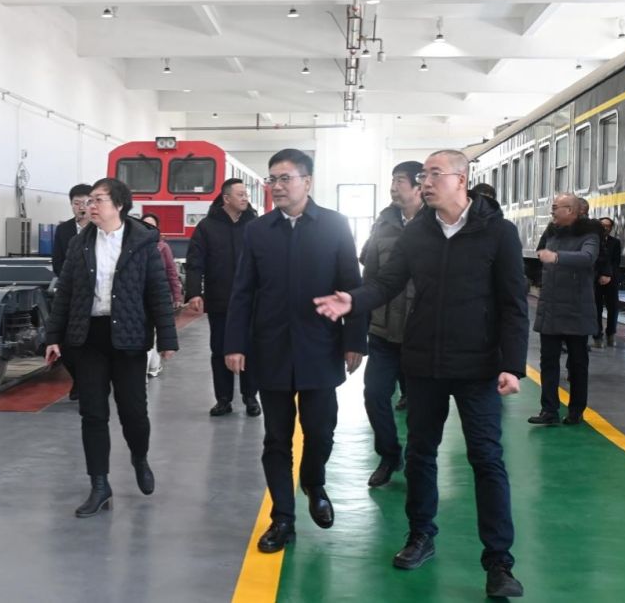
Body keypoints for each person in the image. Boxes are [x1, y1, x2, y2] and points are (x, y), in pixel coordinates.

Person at [314, 149, 528, 599]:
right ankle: (420, 535)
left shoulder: (498, 232)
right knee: (421, 454)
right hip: (424, 363)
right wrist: (353, 300)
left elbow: (513, 303)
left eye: (434, 174)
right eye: (423, 175)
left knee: (487, 459)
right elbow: (387, 282)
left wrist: (512, 365)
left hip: (477, 367)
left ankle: (499, 562)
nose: (425, 182)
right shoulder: (418, 233)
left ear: (461, 179)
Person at [224, 149, 367, 554]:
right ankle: (282, 518)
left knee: (321, 430)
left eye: (285, 178)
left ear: (308, 181)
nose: (278, 186)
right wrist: (234, 343)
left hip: (320, 346)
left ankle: (314, 482)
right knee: (276, 438)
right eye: (272, 179)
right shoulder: (258, 230)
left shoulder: (334, 226)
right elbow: (243, 290)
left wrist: (354, 340)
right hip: (270, 348)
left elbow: (352, 286)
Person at [45, 178, 178, 518]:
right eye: (89, 200)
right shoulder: (80, 244)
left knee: (134, 412)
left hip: (128, 338)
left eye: (98, 200)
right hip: (88, 337)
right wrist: (53, 337)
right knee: (93, 413)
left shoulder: (143, 242)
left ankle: (139, 457)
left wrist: (167, 338)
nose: (90, 206)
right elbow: (65, 293)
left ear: (119, 204)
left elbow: (157, 291)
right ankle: (100, 485)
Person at [359, 160, 423, 488]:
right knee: (374, 394)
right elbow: (369, 277)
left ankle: (417, 458)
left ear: (418, 185)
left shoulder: (436, 224)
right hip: (383, 330)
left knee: (421, 405)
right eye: (393, 180)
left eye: (400, 181)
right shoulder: (383, 224)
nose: (393, 187)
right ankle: (388, 455)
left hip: (421, 333)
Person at [184, 178, 260, 417]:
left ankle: (250, 397)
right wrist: (194, 293)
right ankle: (223, 399)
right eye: (240, 194)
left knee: (250, 348)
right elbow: (195, 262)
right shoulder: (207, 227)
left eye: (246, 194)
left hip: (252, 300)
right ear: (226, 199)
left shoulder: (255, 225)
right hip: (220, 299)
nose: (245, 198)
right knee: (219, 349)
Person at [528, 194, 600, 426]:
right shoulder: (551, 232)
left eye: (555, 207)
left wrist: (557, 257)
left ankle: (576, 410)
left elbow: (588, 258)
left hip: (576, 309)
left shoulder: (590, 234)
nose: (552, 211)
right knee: (548, 362)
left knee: (577, 363)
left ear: (570, 210)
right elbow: (540, 253)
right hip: (550, 307)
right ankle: (548, 410)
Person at [52, 184, 93, 400]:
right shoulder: (64, 230)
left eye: (86, 202)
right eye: (77, 203)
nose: (81, 207)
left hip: (95, 293)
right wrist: (70, 282)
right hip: (71, 292)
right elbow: (57, 261)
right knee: (67, 344)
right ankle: (78, 379)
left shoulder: (100, 228)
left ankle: (87, 383)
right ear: (71, 205)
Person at [141, 212, 183, 376]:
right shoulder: (132, 246)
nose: (148, 229)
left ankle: (151, 366)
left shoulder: (163, 247)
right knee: (146, 333)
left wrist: (177, 296)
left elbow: (171, 272)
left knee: (153, 332)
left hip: (159, 296)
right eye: (145, 225)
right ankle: (152, 366)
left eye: (151, 226)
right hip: (140, 298)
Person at [593, 217, 621, 349]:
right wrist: (599, 276)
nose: (605, 228)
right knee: (596, 308)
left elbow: (616, 262)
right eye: (602, 225)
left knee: (613, 307)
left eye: (608, 226)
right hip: (595, 280)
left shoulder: (615, 242)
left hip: (611, 280)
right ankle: (597, 336)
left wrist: (608, 276)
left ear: (611, 228)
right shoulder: (592, 241)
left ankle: (611, 334)